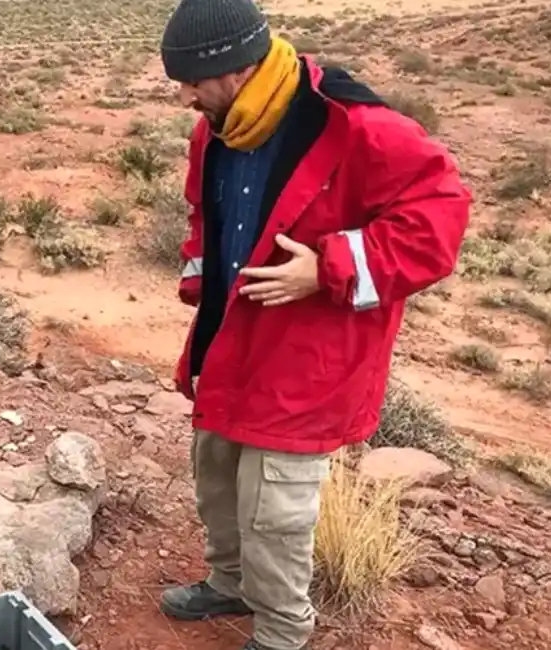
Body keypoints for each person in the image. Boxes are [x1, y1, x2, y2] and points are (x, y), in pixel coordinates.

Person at [156, 1, 471, 649]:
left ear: (236, 70)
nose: (184, 95)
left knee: (276, 511)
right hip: (230, 341)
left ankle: (281, 631)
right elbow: (201, 213)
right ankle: (231, 582)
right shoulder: (215, 130)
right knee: (216, 474)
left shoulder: (358, 128)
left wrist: (327, 268)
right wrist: (201, 281)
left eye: (191, 81)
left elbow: (440, 220)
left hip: (309, 360)